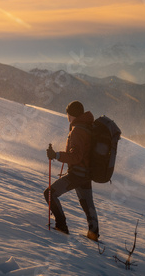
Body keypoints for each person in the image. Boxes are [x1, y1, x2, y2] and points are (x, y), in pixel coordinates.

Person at [44, 100, 99, 241]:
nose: (67, 116)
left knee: (50, 193)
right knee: (87, 204)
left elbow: (76, 156)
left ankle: (61, 226)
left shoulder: (78, 130)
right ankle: (93, 234)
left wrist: (56, 155)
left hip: (78, 173)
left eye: (68, 113)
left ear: (72, 114)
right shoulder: (87, 127)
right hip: (86, 173)